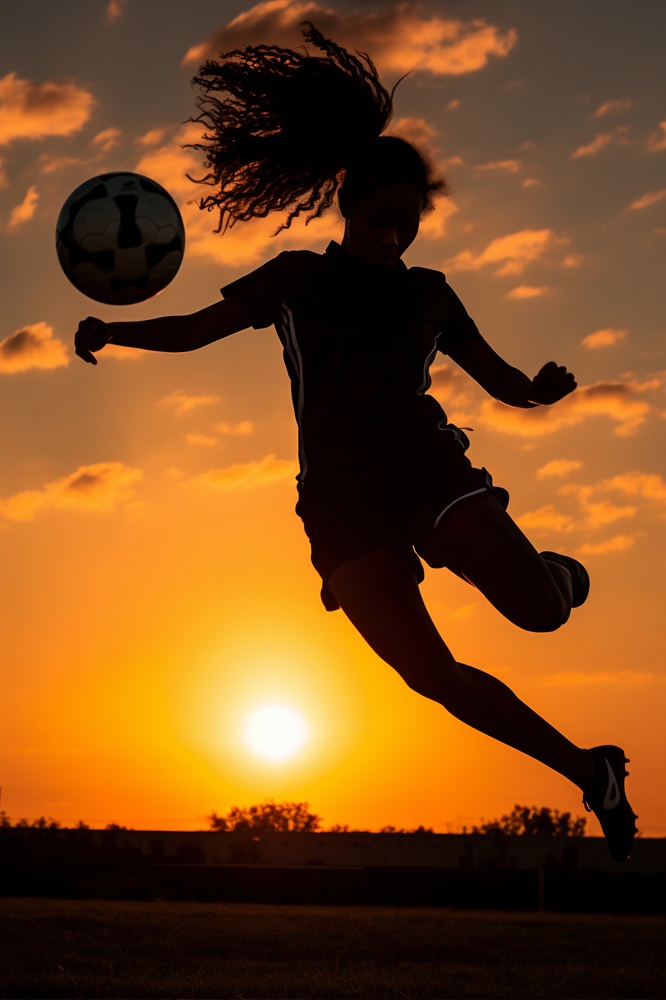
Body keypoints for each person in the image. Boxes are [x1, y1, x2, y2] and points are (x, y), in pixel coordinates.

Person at [75, 23, 637, 862]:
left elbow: (504, 383)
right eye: (380, 220)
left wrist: (540, 390)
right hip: (339, 505)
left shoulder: (432, 296)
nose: (393, 237)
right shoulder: (298, 281)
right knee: (429, 677)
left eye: (407, 225)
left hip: (424, 471)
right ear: (351, 208)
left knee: (543, 616)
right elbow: (196, 329)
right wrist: (116, 333)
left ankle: (555, 571)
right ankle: (589, 771)